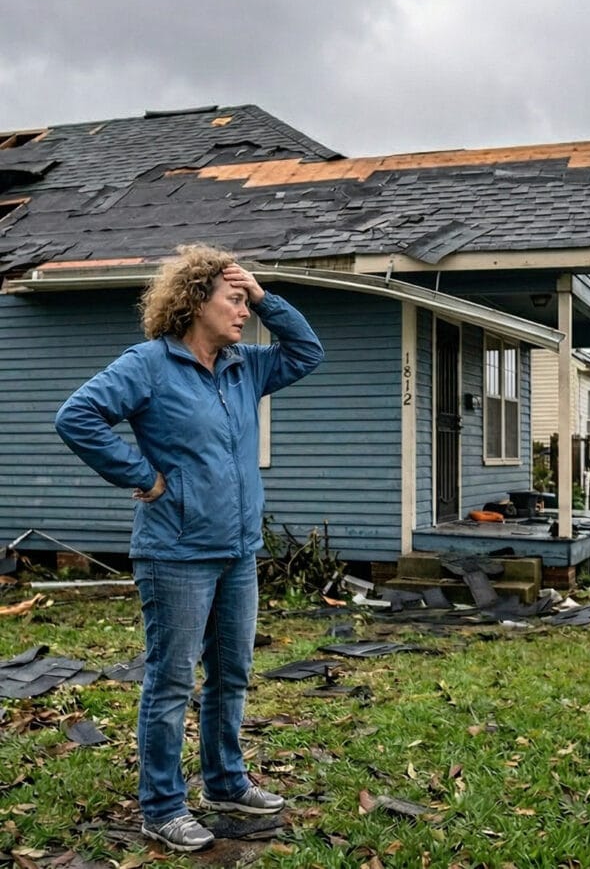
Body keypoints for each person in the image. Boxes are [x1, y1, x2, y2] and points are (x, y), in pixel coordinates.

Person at [54, 244, 324, 852]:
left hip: (236, 550)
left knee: (231, 673)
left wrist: (262, 294)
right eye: (232, 300)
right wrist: (142, 476)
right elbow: (78, 417)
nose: (242, 312)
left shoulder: (245, 365)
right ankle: (162, 806)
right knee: (171, 681)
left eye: (244, 302)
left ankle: (226, 781)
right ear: (195, 301)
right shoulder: (148, 365)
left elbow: (308, 352)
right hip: (175, 553)